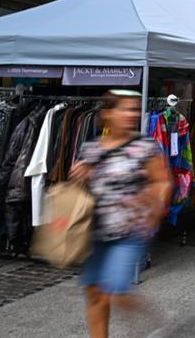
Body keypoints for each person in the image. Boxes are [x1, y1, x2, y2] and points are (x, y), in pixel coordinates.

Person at [69, 90, 171, 338]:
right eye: (125, 109)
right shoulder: (91, 148)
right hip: (96, 233)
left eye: (134, 109)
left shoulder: (144, 147)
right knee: (94, 293)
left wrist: (154, 207)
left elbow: (162, 181)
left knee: (115, 291)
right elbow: (84, 188)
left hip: (130, 231)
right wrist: (80, 175)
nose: (131, 114)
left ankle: (151, 318)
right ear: (107, 113)